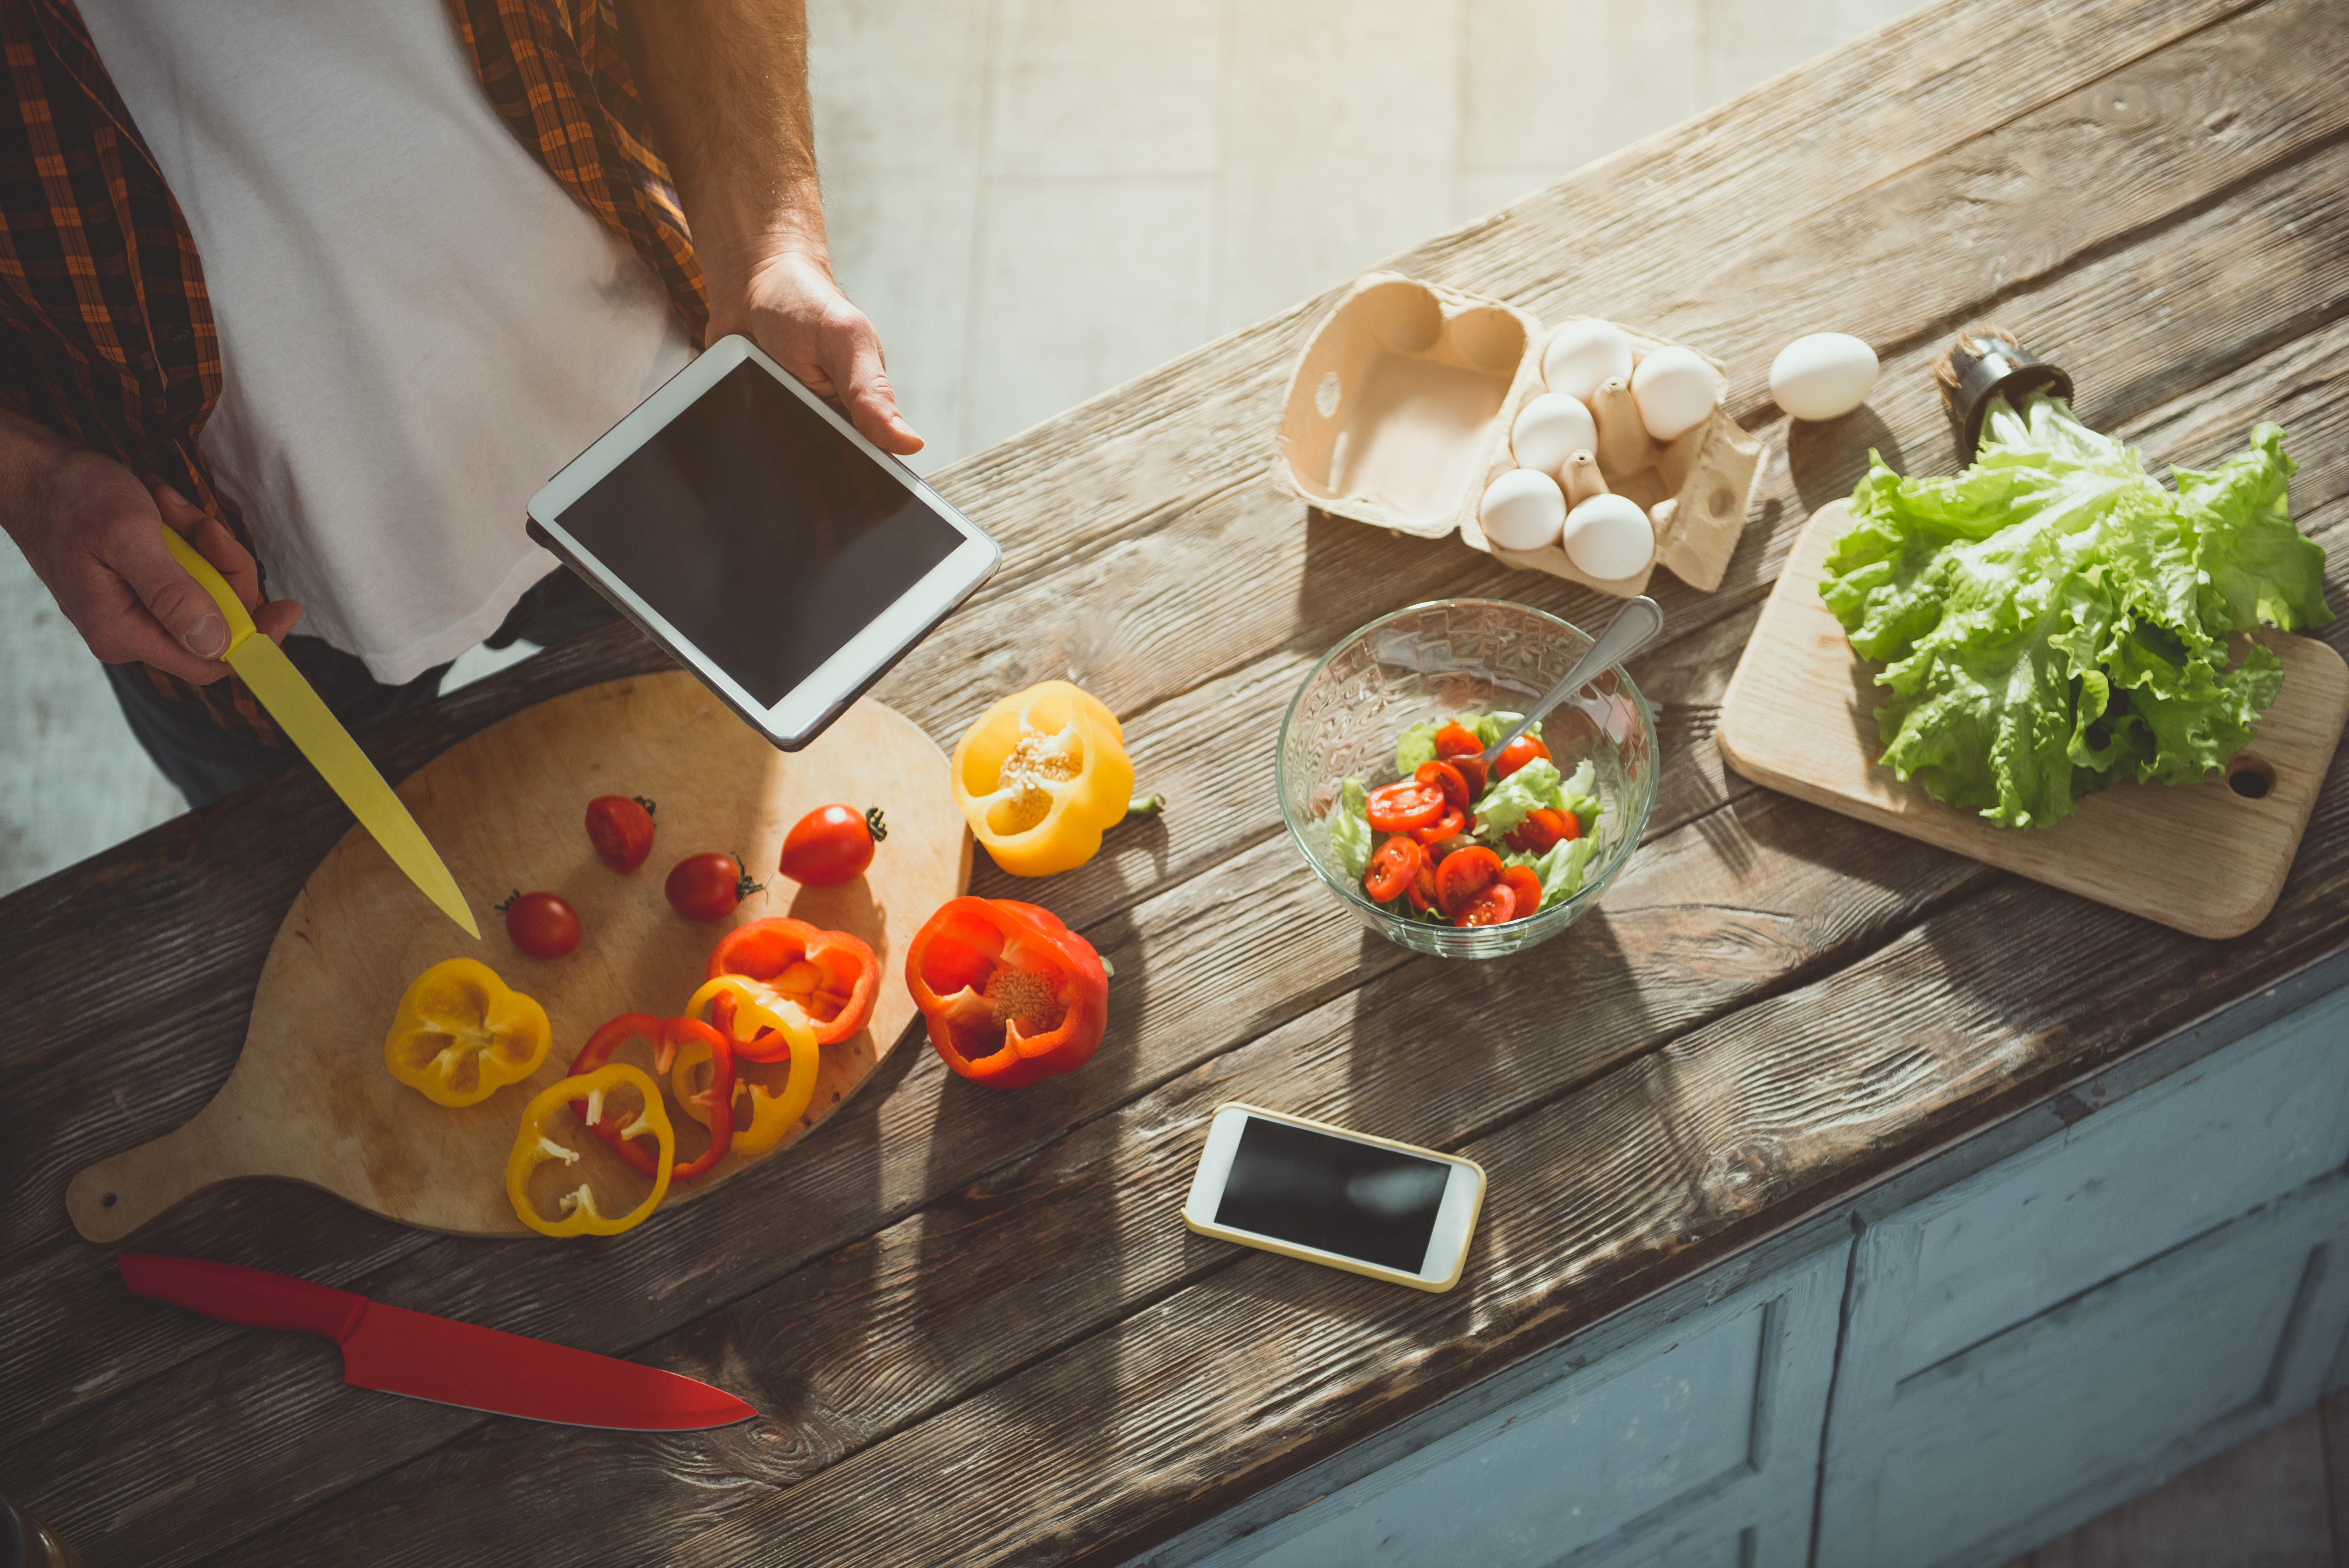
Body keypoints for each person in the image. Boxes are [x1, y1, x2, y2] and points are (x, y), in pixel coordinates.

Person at [0, 0, 919, 805]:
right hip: (212, 553)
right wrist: (29, 475)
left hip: (641, 391)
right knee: (334, 929)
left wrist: (768, 241)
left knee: (771, 797)